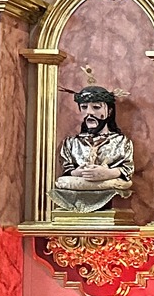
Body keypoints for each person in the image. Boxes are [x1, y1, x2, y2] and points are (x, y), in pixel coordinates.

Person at [50, 85, 136, 213]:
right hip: (78, 187)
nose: (89, 112)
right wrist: (77, 173)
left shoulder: (121, 142)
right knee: (63, 182)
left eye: (96, 107)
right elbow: (67, 169)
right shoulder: (71, 143)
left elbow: (127, 169)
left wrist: (108, 173)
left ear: (109, 111)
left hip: (108, 187)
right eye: (84, 107)